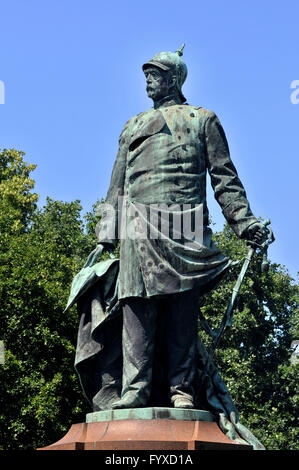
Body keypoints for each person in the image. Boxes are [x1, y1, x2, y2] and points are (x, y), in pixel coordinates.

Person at [76, 45, 266, 412]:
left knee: (181, 309)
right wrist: (105, 237)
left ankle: (181, 389)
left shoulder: (202, 119)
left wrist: (244, 222)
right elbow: (116, 186)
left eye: (156, 74)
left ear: (175, 78)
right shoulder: (131, 125)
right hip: (136, 226)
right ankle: (136, 390)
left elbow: (224, 179)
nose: (148, 80)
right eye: (146, 74)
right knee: (135, 308)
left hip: (186, 224)